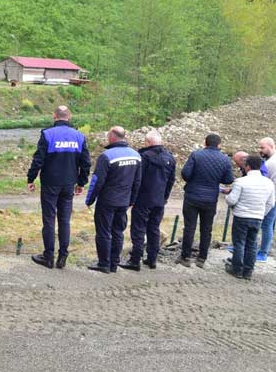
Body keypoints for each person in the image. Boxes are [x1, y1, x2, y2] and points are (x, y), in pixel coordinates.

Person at [27, 105, 91, 269]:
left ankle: (48, 257)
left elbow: (38, 160)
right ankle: (62, 257)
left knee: (49, 219)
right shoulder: (79, 136)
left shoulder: (47, 134)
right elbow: (86, 163)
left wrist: (31, 178)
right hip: (69, 184)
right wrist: (81, 183)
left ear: (54, 116)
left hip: (50, 183)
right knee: (64, 220)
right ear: (69, 117)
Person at [85, 126, 142, 274]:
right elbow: (137, 181)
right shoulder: (136, 156)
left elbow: (97, 181)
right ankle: (114, 264)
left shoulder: (106, 156)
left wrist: (90, 200)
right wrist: (132, 201)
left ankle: (104, 263)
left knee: (103, 232)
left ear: (112, 137)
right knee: (118, 232)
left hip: (107, 201)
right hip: (124, 202)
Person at [119, 130, 176, 271]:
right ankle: (152, 259)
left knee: (138, 229)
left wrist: (132, 198)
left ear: (148, 142)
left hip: (143, 199)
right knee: (154, 229)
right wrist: (164, 198)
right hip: (159, 200)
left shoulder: (143, 157)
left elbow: (137, 179)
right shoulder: (170, 158)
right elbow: (171, 181)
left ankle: (135, 260)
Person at [176, 134, 234, 268]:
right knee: (206, 229)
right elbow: (229, 179)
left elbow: (185, 174)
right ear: (219, 145)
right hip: (210, 198)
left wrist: (194, 180)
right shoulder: (225, 159)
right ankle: (202, 258)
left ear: (205, 143)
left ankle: (185, 257)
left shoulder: (196, 155)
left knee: (189, 227)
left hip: (192, 196)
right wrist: (216, 179)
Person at [224, 155, 276, 280]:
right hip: (257, 217)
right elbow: (271, 203)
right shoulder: (269, 183)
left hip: (241, 216)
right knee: (252, 244)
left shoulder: (241, 182)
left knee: (239, 243)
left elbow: (231, 200)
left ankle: (237, 269)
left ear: (247, 166)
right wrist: (261, 213)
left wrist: (226, 196)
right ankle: (248, 271)